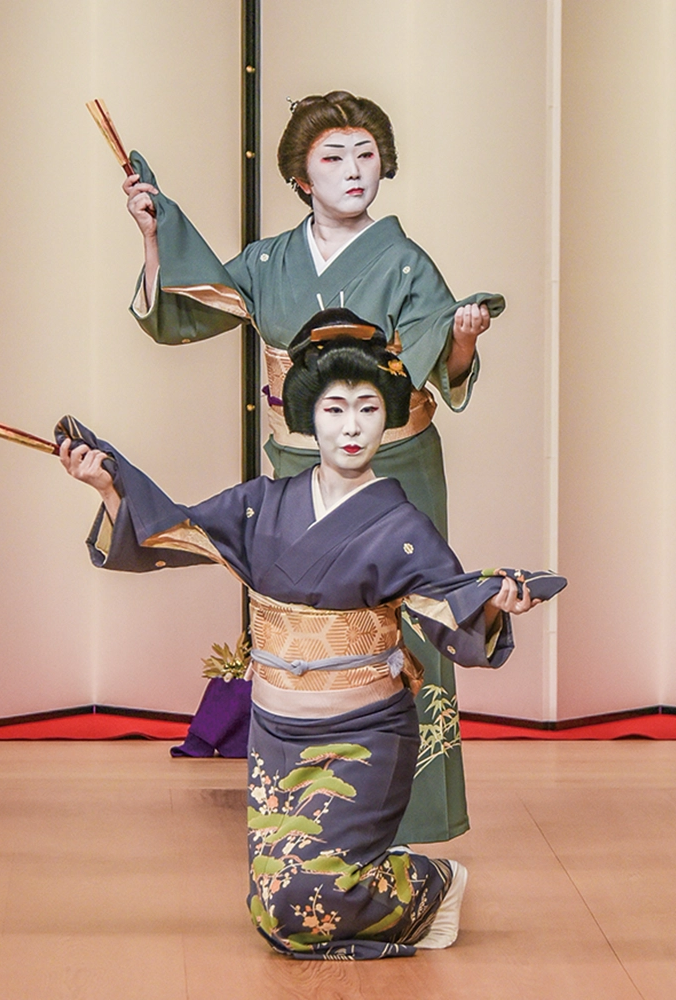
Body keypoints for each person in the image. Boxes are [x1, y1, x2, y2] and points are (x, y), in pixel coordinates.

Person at [57, 311, 564, 959]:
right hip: (277, 732)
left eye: (368, 409)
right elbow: (171, 530)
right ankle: (387, 890)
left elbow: (449, 605)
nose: (351, 428)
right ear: (309, 417)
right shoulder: (262, 506)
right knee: (275, 912)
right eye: (334, 409)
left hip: (364, 732)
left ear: (388, 417)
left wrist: (493, 604)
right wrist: (109, 484)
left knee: (309, 901)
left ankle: (429, 884)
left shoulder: (401, 526)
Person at [120, 91, 507, 845]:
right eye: (333, 157)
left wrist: (462, 338)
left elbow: (441, 364)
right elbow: (190, 304)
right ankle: (313, 815)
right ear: (301, 176)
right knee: (306, 626)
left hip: (395, 466)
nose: (354, 170)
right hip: (300, 467)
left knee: (408, 625)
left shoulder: (404, 262)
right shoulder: (270, 261)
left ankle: (408, 823)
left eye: (367, 155)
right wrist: (153, 233)